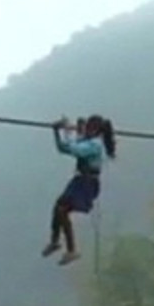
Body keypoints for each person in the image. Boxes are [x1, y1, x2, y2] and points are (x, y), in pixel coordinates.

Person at [41, 114, 116, 266]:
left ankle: (72, 250)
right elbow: (63, 148)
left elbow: (75, 150)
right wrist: (58, 132)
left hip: (87, 183)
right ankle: (55, 242)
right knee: (58, 207)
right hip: (79, 181)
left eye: (89, 128)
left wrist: (66, 132)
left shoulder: (95, 145)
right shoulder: (87, 141)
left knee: (62, 209)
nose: (86, 130)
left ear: (95, 130)